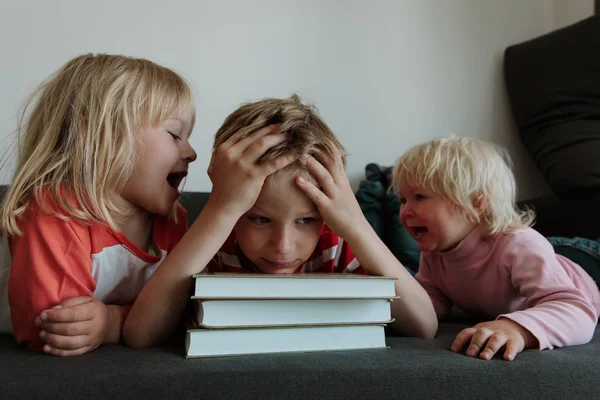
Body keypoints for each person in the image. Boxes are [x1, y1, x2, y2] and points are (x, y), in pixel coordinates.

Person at [123, 95, 438, 347]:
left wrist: (354, 222)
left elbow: (424, 326)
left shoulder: (336, 242)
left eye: (305, 221)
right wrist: (220, 210)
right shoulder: (215, 239)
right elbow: (141, 334)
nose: (283, 248)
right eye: (259, 219)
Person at [0, 53, 199, 355]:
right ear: (101, 134)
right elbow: (54, 327)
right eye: (175, 134)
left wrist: (112, 321)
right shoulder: (56, 210)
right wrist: (120, 323)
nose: (192, 153)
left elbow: (185, 311)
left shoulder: (174, 222)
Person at [392, 136, 600, 361]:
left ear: (476, 203)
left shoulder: (519, 246)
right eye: (403, 200)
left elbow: (577, 311)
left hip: (589, 262)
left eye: (419, 197)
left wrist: (516, 329)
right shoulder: (434, 253)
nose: (405, 212)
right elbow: (429, 306)